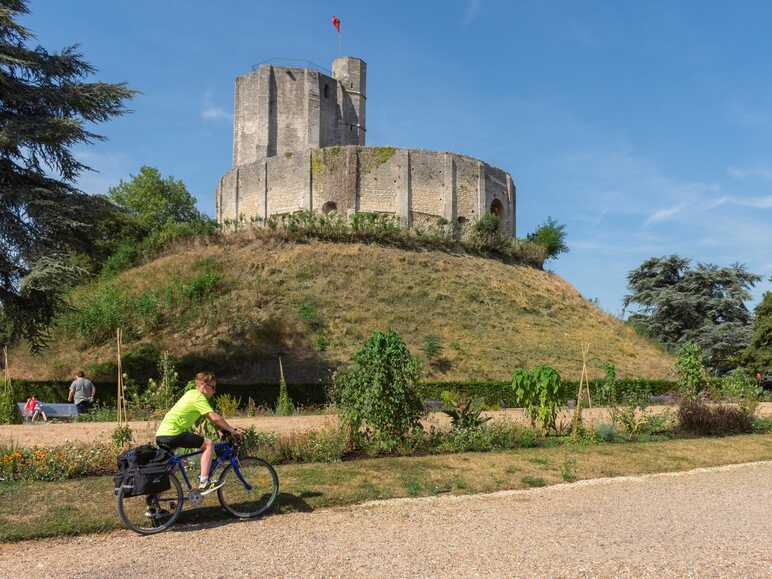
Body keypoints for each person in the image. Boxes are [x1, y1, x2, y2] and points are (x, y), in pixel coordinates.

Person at [155, 372, 242, 494]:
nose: (214, 391)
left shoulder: (191, 394)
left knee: (168, 469)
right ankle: (204, 482)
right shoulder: (198, 397)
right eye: (213, 387)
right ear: (204, 386)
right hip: (173, 433)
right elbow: (213, 417)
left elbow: (210, 420)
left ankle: (152, 505)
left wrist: (223, 429)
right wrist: (232, 430)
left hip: (162, 434)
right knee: (208, 444)